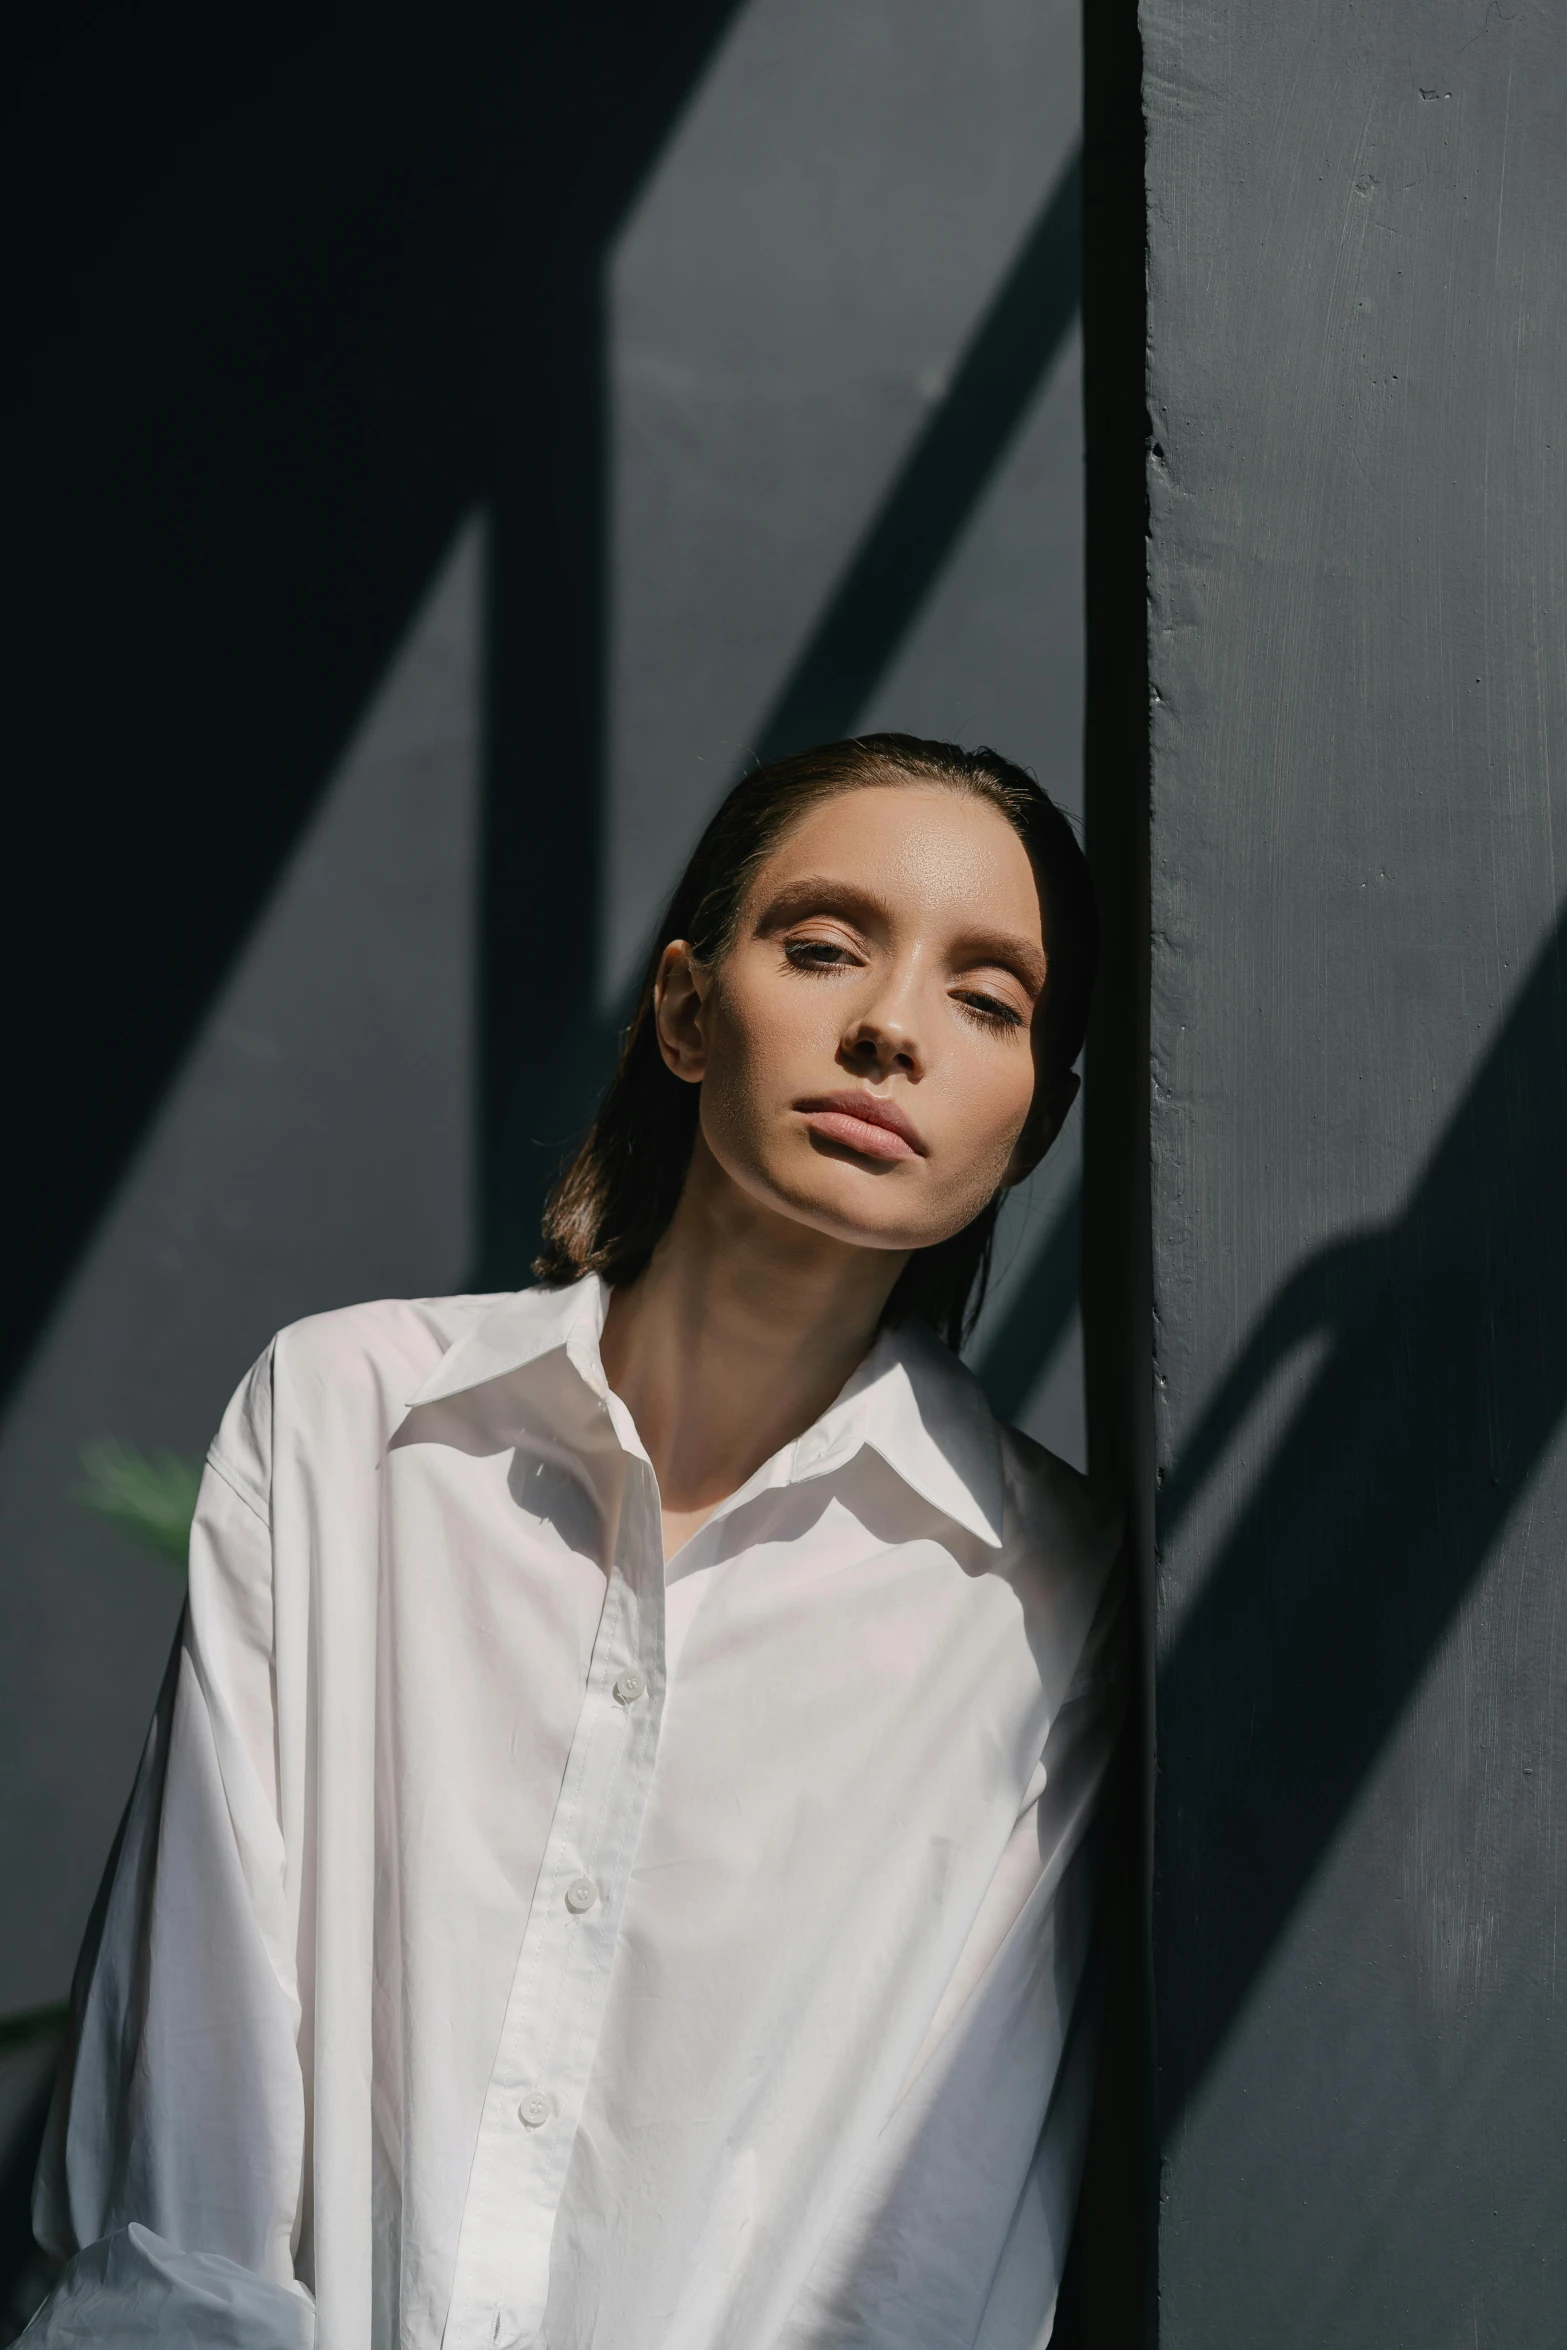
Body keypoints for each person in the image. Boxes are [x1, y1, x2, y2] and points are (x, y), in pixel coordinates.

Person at [26, 734, 1123, 2350]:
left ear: (1030, 1124)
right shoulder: (353, 1420)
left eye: (988, 999)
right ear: (685, 1009)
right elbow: (188, 2115)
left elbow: (943, 2228)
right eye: (821, 947)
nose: (889, 1028)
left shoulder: (1043, 1601)